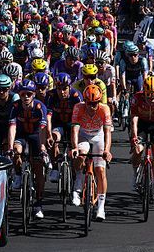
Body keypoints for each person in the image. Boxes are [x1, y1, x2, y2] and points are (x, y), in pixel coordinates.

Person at [7, 79, 50, 219]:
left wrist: (43, 147)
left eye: (29, 94)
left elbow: (43, 129)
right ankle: (18, 174)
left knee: (38, 169)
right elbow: (12, 127)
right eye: (23, 94)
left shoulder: (40, 107)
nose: (26, 97)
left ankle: (38, 203)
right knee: (16, 151)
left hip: (36, 136)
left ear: (34, 95)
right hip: (21, 135)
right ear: (19, 94)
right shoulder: (15, 106)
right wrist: (9, 147)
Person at [69, 85, 113, 220]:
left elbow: (107, 133)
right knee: (81, 153)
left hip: (98, 136)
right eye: (89, 103)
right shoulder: (78, 107)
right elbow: (75, 130)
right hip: (83, 134)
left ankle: (101, 207)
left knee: (100, 170)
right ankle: (78, 184)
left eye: (95, 103)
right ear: (85, 101)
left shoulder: (105, 109)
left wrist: (107, 150)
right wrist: (75, 147)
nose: (92, 106)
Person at [130, 75, 154, 200]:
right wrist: (134, 136)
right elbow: (134, 118)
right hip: (142, 123)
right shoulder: (137, 97)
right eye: (149, 94)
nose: (152, 97)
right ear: (144, 92)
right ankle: (135, 176)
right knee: (138, 150)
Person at [45, 73, 83, 183]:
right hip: (58, 123)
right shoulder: (51, 95)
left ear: (70, 87)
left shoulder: (76, 96)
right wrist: (48, 135)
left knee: (75, 144)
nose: (62, 92)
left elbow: (81, 116)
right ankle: (55, 167)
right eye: (59, 88)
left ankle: (76, 171)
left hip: (73, 123)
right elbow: (48, 117)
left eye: (65, 88)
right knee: (53, 138)